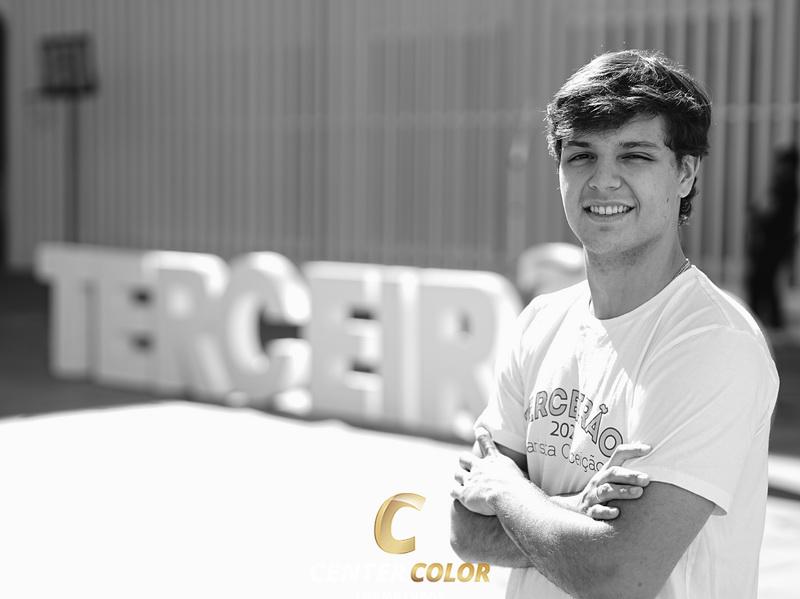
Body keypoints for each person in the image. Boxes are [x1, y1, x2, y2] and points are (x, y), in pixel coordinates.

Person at [450, 49, 779, 599]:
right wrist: (577, 513)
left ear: (685, 173)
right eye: (581, 155)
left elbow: (619, 575)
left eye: (635, 156)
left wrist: (507, 490)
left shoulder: (712, 343)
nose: (603, 181)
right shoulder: (541, 322)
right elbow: (465, 531)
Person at [745, 146, 799, 329]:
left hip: (773, 244)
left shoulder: (785, 187)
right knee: (767, 282)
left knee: (762, 280)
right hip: (775, 243)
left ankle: (761, 319)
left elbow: (773, 215)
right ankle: (770, 321)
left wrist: (758, 214)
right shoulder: (786, 186)